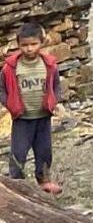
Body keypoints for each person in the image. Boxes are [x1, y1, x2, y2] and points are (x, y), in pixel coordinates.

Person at [5, 22, 62, 193]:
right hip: (22, 118)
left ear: (42, 42)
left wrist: (54, 101)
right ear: (18, 44)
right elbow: (2, 89)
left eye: (33, 44)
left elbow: (56, 85)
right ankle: (16, 184)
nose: (29, 49)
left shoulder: (49, 65)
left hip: (43, 116)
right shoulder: (11, 67)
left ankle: (44, 180)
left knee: (44, 150)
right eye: (24, 45)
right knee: (19, 152)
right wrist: (10, 104)